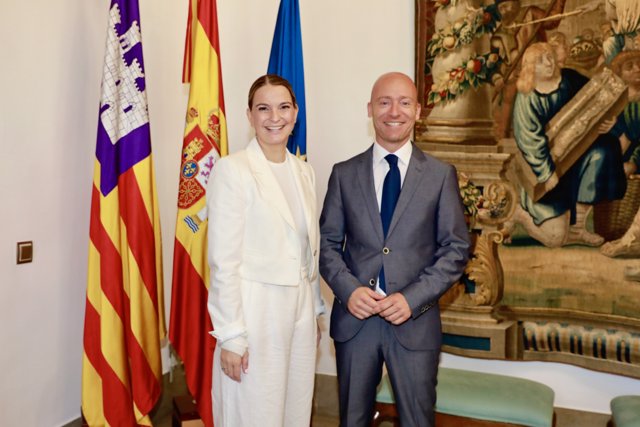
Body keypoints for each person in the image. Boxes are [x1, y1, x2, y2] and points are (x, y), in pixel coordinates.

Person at [319, 72, 470, 427]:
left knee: (417, 421)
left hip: (414, 323)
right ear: (369, 109)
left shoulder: (439, 175)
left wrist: (411, 298)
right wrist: (348, 290)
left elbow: (455, 249)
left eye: (404, 102)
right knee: (352, 420)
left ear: (418, 111)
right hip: (356, 324)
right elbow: (326, 245)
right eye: (384, 102)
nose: (393, 111)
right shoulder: (344, 174)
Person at [206, 74, 325, 427]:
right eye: (264, 108)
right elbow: (223, 263)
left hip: (301, 310)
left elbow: (308, 250)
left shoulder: (304, 172)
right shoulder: (233, 170)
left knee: (294, 410)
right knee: (255, 412)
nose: (275, 117)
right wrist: (231, 335)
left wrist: (316, 308)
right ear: (250, 116)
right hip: (256, 312)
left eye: (283, 107)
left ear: (296, 112)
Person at [508, 42, 626, 247]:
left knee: (606, 147)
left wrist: (610, 120)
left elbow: (597, 99)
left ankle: (578, 228)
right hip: (547, 167)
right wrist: (546, 173)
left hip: (577, 157)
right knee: (554, 239)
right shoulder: (527, 96)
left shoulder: (570, 78)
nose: (549, 62)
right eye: (541, 60)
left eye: (550, 56)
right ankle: (520, 214)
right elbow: (529, 140)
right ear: (530, 67)